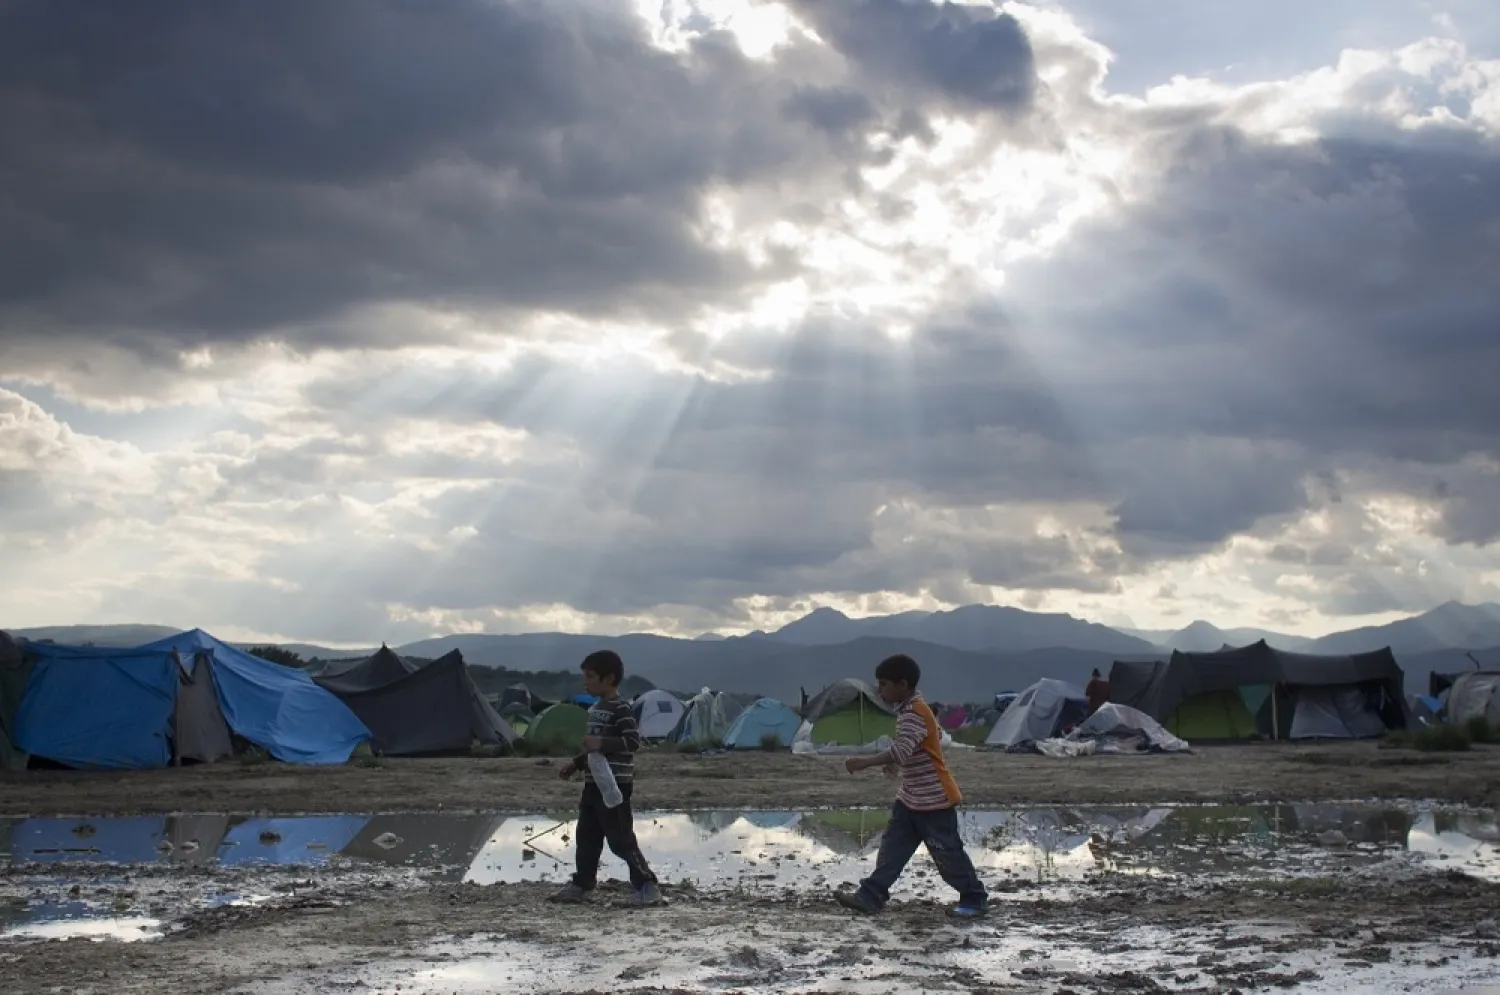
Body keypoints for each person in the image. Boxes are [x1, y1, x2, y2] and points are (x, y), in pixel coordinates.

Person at [835, 654, 988, 919]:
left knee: (947, 853)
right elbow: (925, 741)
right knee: (892, 849)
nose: (880, 690)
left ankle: (974, 898)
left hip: (934, 799)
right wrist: (898, 762)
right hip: (911, 797)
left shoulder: (914, 713)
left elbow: (902, 749)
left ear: (902, 684)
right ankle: (870, 895)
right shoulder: (915, 709)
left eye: (884, 684)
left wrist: (864, 762)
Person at [548, 650, 662, 907]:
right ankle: (582, 883)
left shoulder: (621, 708)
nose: (585, 682)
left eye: (590, 677)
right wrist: (576, 764)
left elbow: (633, 742)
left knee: (620, 838)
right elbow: (593, 750)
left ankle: (647, 885)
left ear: (609, 678)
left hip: (615, 785)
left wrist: (602, 741)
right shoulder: (596, 708)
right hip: (593, 783)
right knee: (586, 835)